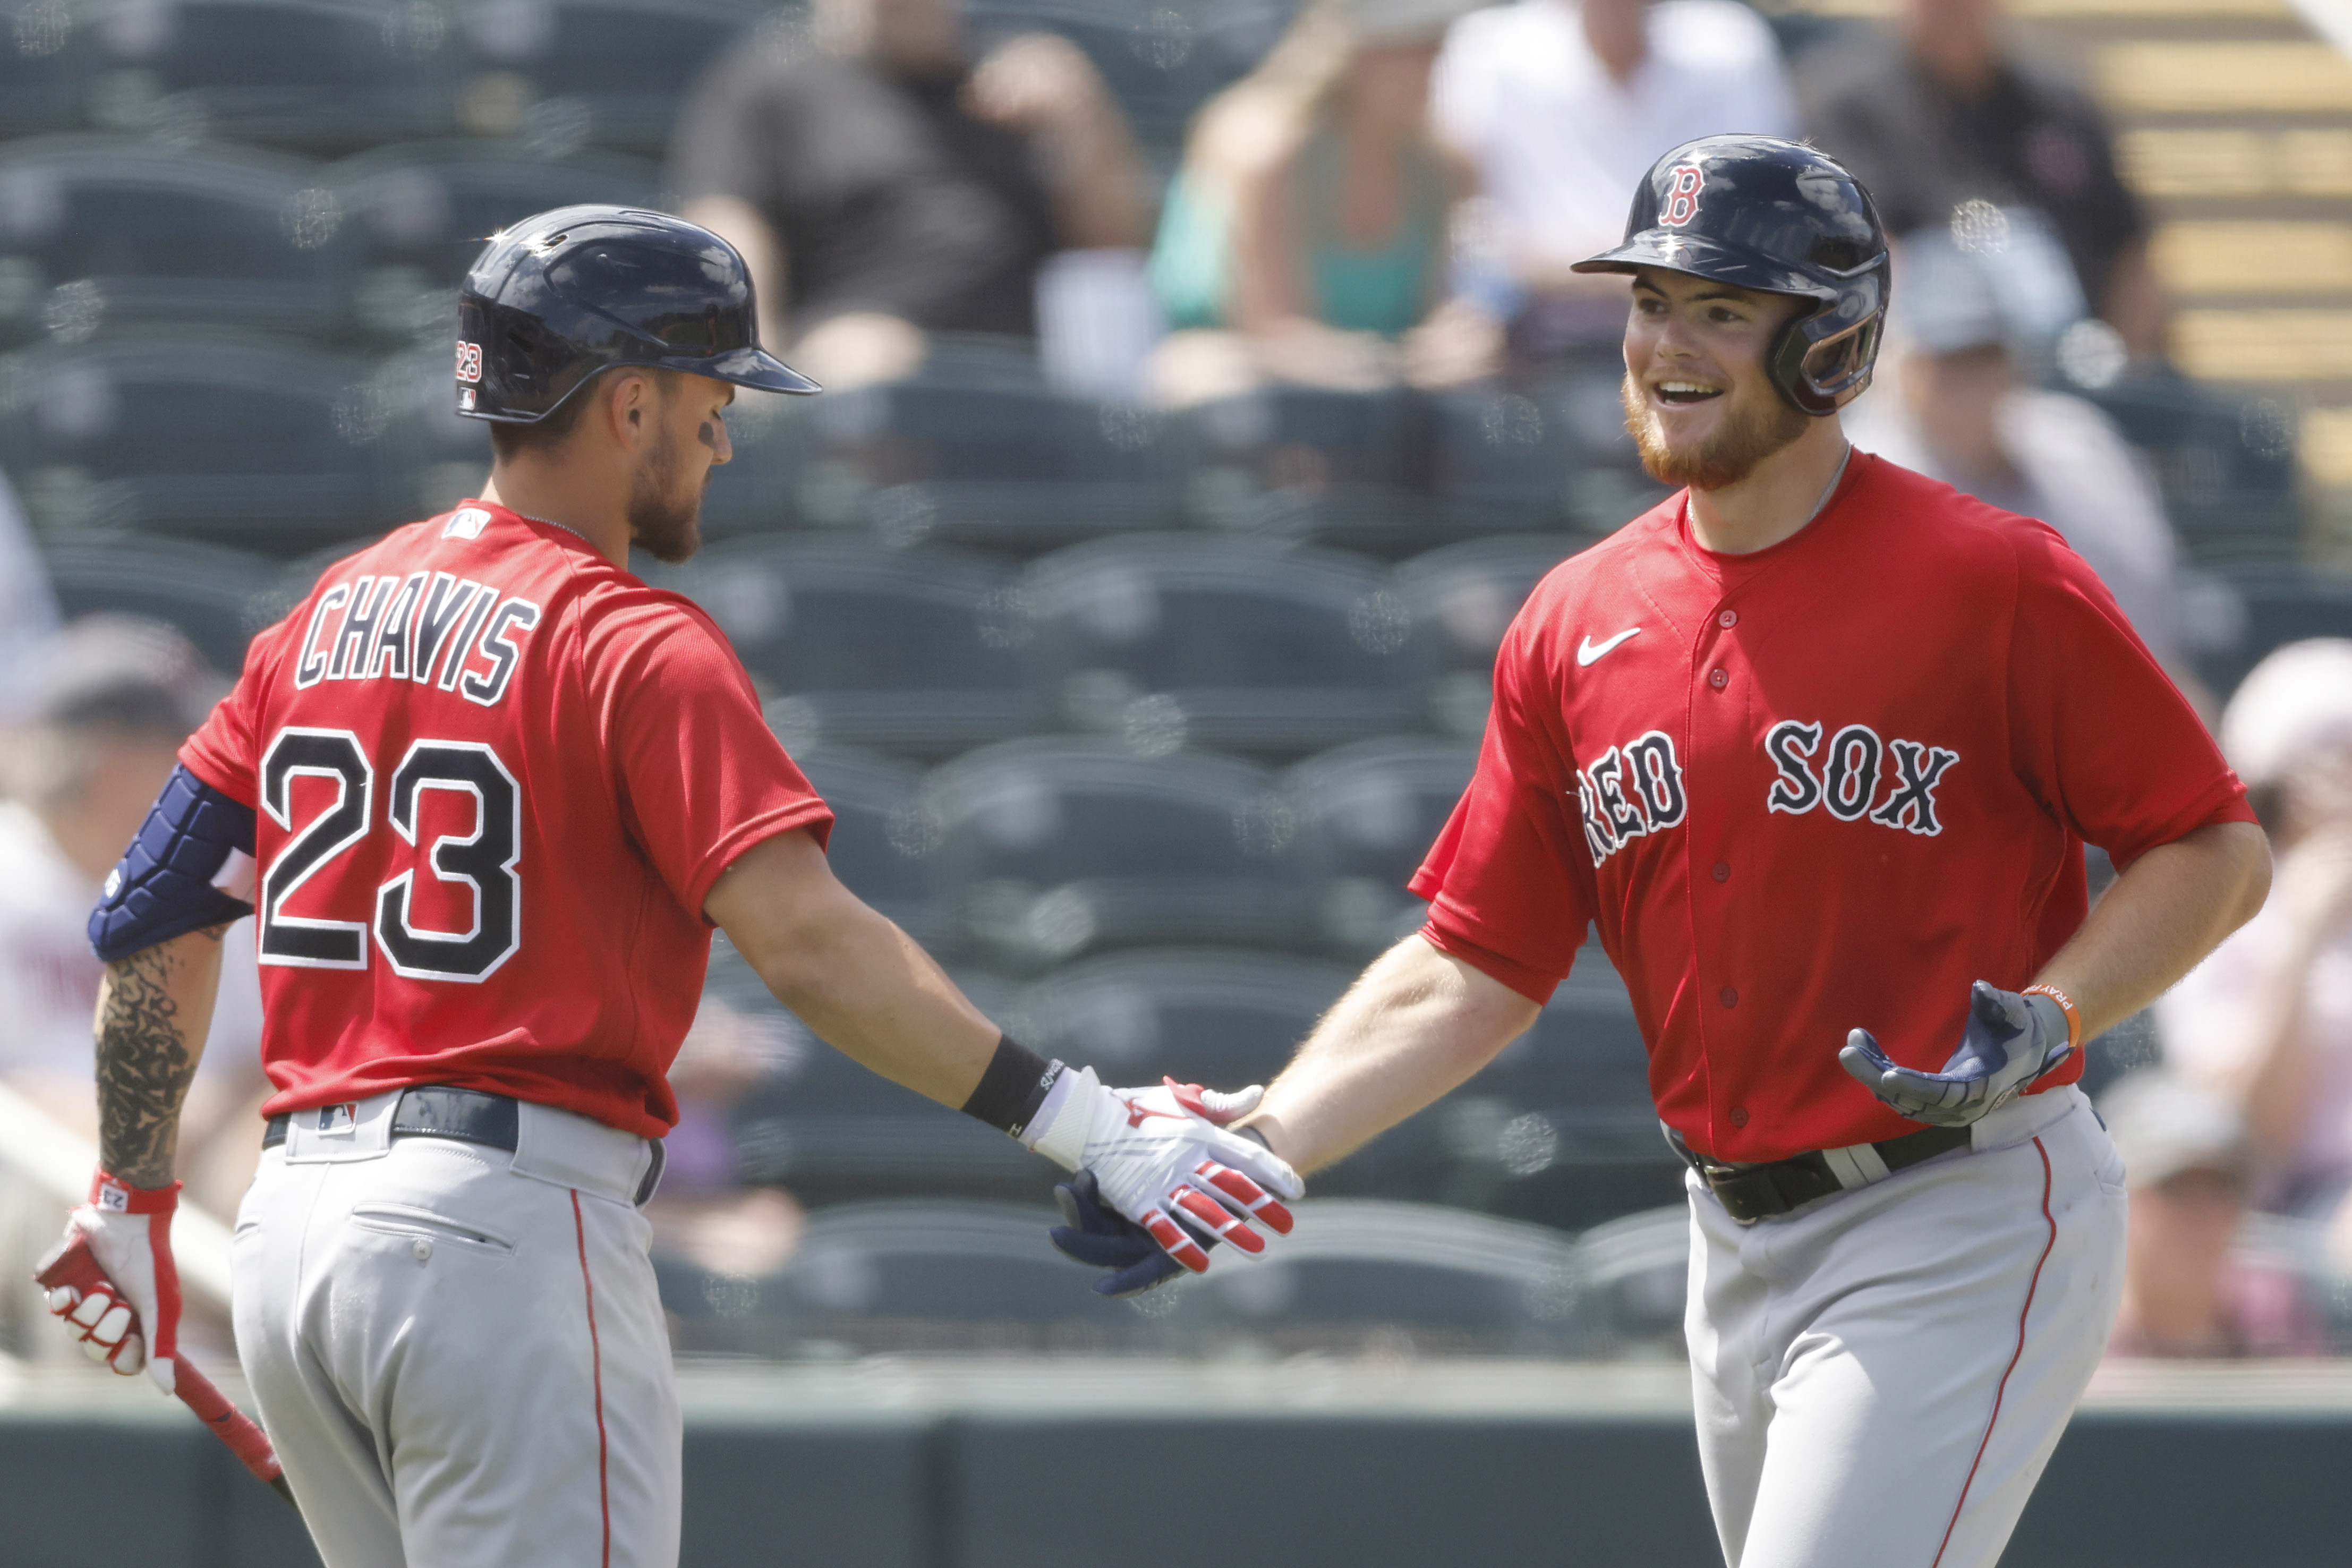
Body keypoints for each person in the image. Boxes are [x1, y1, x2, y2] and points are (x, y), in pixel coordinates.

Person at [1056, 138, 2269, 1565]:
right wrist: (1266, 1139)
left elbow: (2210, 845)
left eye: (1718, 308)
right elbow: (1475, 960)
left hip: (1959, 1208)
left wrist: (2057, 1013)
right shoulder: (1574, 618)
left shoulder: (1990, 579)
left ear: (1830, 343)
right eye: (1648, 302)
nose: (1663, 343)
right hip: (1729, 1240)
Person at [34, 206, 1300, 1568]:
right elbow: (810, 944)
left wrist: (128, 1197)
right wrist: (1087, 1124)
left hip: (293, 1237)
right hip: (496, 1235)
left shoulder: (317, 617)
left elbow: (156, 914)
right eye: (710, 396)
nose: (725, 434)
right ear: (628, 401)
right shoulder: (632, 638)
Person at [669, 0, 1147, 390]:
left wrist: (1082, 124)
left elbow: (1117, 247)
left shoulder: (1020, 71)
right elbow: (725, 232)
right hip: (861, 349)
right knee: (872, 361)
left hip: (1039, 367)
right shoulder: (769, 80)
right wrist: (754, 375)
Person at [1844, 231, 2201, 695]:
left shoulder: (2076, 445)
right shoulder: (1860, 471)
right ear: (1902, 370)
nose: (1970, 381)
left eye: (1985, 354)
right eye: (1949, 360)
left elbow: (2147, 599)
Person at [1145, 0, 1495, 400]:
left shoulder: (1449, 167)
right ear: (1355, 54)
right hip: (1255, 374)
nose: (1434, 61)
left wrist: (1458, 342)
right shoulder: (1266, 157)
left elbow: (1450, 302)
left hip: (1385, 390)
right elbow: (1273, 332)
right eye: (1412, 47)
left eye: (1438, 45)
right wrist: (1393, 365)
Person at [1799, 0, 2164, 360]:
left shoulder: (2062, 102)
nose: (1955, 9)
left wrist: (2119, 378)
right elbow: (1851, 253)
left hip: (2071, 367)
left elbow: (2130, 255)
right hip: (1923, 370)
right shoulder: (1850, 106)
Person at [1430, 0, 1798, 358]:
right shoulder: (1487, 48)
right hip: (1531, 349)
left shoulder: (1730, 42)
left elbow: (1756, 232)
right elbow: (1471, 232)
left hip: (1704, 342)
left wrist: (1573, 269)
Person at [2159, 640, 2352, 1222]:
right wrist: (2304, 933)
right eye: (2333, 761)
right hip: (2279, 1213)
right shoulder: (2218, 910)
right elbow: (2248, 1132)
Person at [2100, 1071, 2324, 1359]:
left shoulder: (2271, 1312)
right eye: (2177, 1187)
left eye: (2223, 1186)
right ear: (2119, 1198)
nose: (2204, 1214)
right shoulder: (2078, 1333)